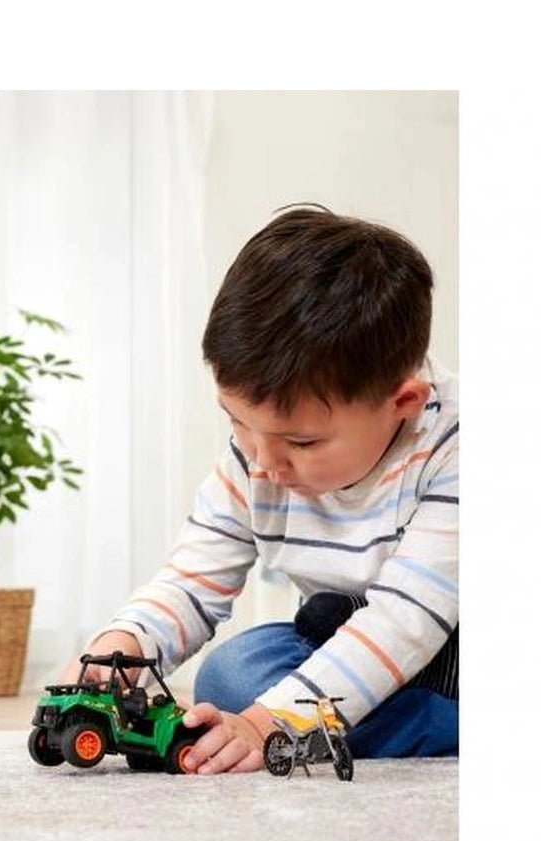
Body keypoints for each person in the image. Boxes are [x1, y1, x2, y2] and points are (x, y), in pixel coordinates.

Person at [61, 205, 458, 774]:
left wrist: (268, 723)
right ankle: (349, 715)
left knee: (258, 700)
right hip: (345, 632)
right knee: (232, 674)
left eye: (301, 442)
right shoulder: (258, 452)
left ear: (402, 403)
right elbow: (192, 578)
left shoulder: (456, 449)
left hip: (454, 643)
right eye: (237, 423)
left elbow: (404, 622)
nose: (262, 461)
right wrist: (125, 645)